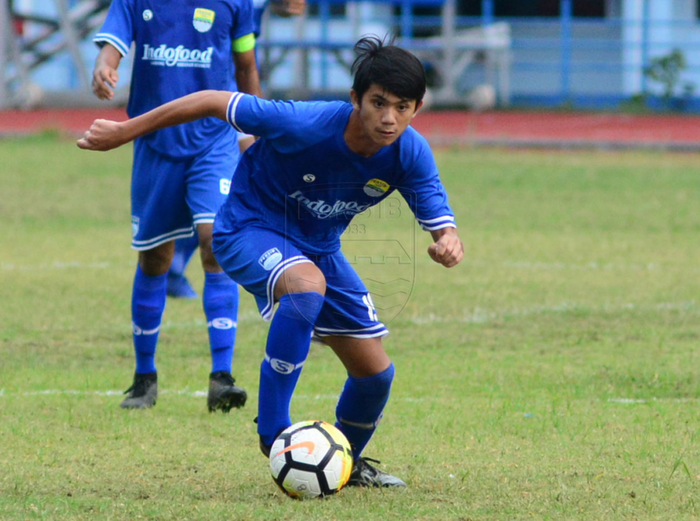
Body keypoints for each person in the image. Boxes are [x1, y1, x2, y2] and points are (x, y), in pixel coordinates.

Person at [78, 36, 464, 487]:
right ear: (356, 98)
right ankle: (273, 432)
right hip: (247, 228)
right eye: (378, 103)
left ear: (418, 108)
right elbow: (210, 100)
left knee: (375, 375)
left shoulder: (410, 152)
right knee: (305, 287)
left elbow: (441, 221)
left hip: (318, 248)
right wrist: (125, 132)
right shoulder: (305, 122)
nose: (388, 118)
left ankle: (344, 465)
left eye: (402, 107)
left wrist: (448, 241)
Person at [91, 0, 263, 411]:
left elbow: (246, 67)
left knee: (215, 243)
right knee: (155, 259)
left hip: (214, 140)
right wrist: (105, 65)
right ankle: (144, 378)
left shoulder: (236, 4)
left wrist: (257, 129)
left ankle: (222, 377)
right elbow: (112, 45)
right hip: (155, 143)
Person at [166, 0, 308, 299]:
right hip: (222, 107)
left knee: (241, 185)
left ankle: (178, 262)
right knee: (254, 178)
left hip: (231, 102)